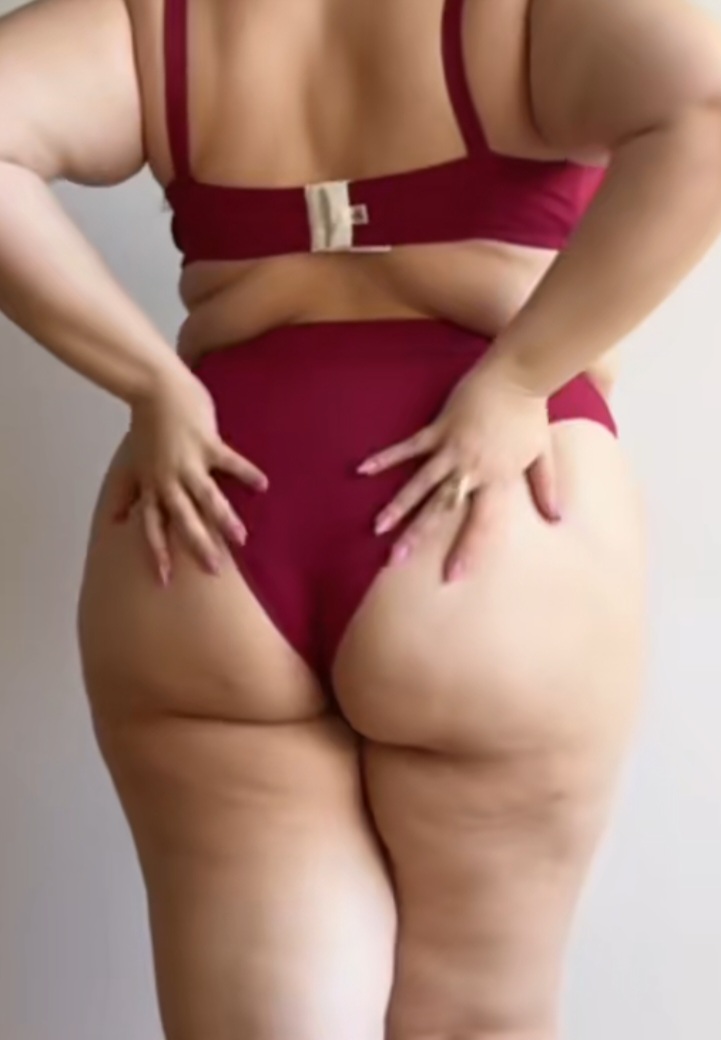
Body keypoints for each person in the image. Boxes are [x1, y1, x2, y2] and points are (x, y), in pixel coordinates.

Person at [1, 0, 720, 1036]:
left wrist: (149, 380)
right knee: (476, 1013)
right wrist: (520, 378)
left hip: (210, 516)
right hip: (479, 520)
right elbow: (705, 103)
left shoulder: (154, 16)